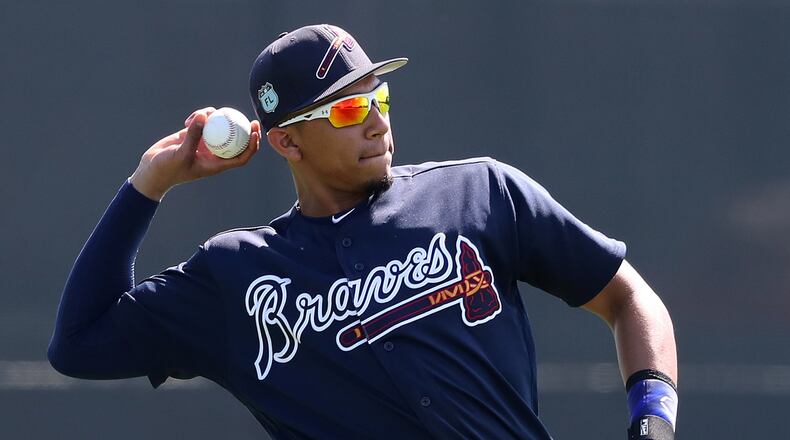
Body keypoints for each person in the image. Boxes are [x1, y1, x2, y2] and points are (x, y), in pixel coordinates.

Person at [48, 24, 678, 439]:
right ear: (286, 139)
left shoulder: (478, 192)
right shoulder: (236, 278)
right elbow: (79, 343)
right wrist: (147, 186)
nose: (376, 122)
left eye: (379, 100)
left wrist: (654, 419)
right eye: (350, 108)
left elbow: (627, 298)